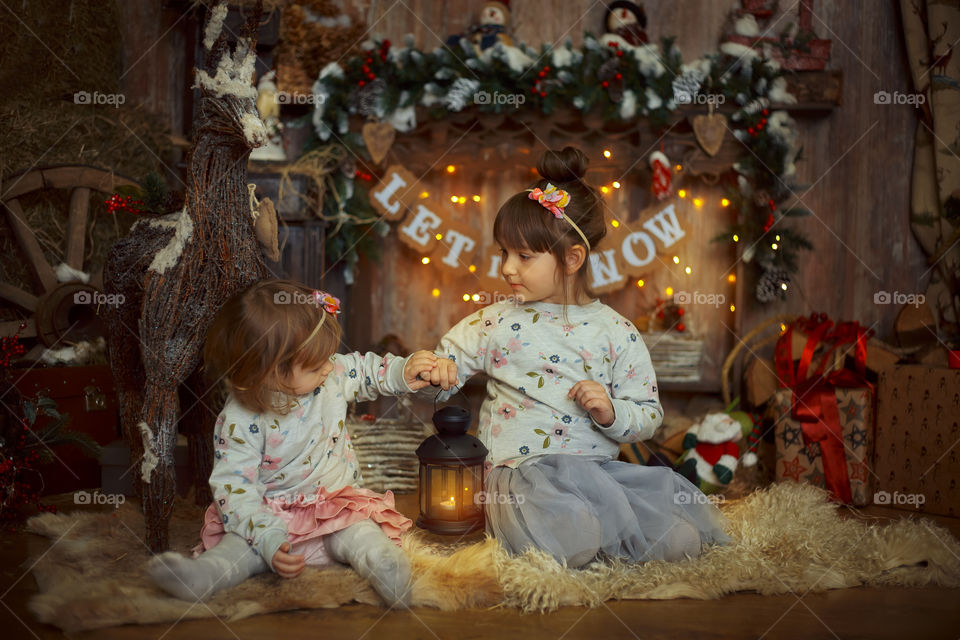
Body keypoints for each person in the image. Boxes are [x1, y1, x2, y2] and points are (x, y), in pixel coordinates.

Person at [429, 147, 729, 568]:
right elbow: (443, 363)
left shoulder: (616, 330)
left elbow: (648, 415)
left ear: (572, 259)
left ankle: (610, 534)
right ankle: (588, 539)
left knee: (678, 537)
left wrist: (609, 413)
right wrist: (440, 370)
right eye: (504, 254)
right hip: (521, 478)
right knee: (576, 534)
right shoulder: (494, 322)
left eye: (524, 256)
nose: (507, 269)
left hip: (599, 476)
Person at [148, 279, 456, 606]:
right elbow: (234, 489)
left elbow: (366, 371)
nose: (328, 367)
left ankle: (387, 569)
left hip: (333, 508)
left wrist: (403, 371)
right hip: (270, 517)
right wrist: (267, 539)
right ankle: (203, 575)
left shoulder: (331, 373)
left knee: (363, 534)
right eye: (314, 365)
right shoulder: (240, 420)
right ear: (269, 372)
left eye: (328, 356)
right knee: (239, 548)